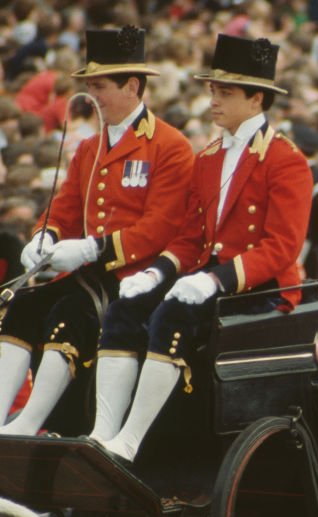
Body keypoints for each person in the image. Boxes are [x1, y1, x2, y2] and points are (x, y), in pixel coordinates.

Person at [88, 33, 312, 462]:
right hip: (207, 279)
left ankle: (129, 443)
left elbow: (282, 247)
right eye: (212, 90)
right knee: (124, 309)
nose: (213, 101)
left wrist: (215, 280)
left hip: (260, 289)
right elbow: (191, 236)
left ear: (256, 100)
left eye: (225, 93)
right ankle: (103, 433)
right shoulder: (208, 157)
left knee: (174, 313)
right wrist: (157, 272)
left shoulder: (286, 160)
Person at [0, 26, 194, 436]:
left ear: (132, 86)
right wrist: (45, 235)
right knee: (22, 305)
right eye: (88, 85)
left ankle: (30, 423)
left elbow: (161, 226)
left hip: (135, 276)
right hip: (88, 273)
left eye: (100, 86)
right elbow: (65, 207)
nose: (92, 96)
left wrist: (93, 248)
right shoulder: (90, 147)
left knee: (69, 315)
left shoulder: (169, 145)